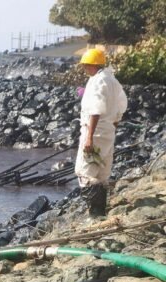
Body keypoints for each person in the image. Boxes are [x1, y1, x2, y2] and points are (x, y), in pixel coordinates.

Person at [74, 48, 128, 217]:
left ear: (92, 65)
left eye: (85, 66)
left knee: (85, 172)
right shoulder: (111, 79)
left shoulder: (97, 81)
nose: (84, 69)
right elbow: (121, 105)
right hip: (107, 131)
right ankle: (100, 212)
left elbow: (96, 110)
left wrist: (89, 137)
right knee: (102, 171)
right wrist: (114, 124)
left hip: (95, 131)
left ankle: (94, 214)